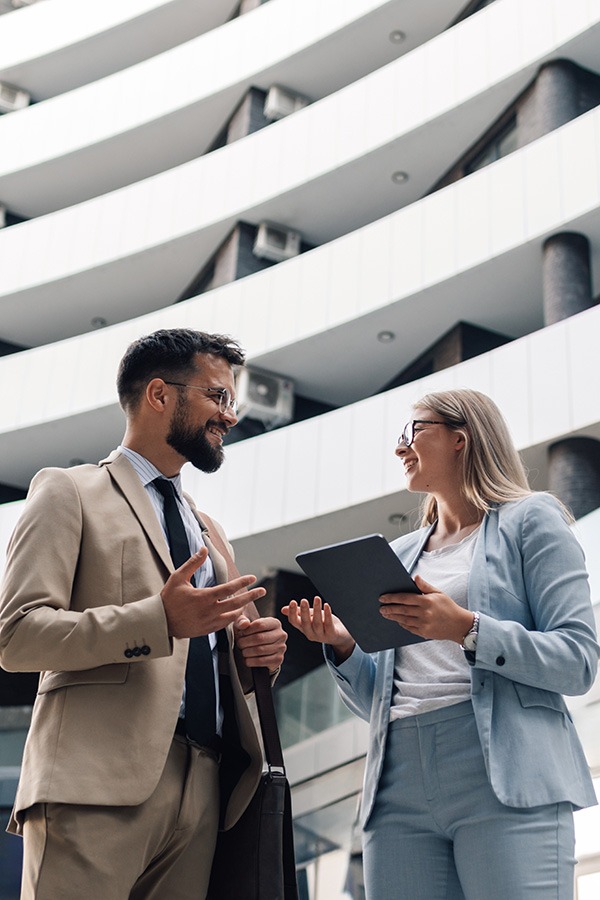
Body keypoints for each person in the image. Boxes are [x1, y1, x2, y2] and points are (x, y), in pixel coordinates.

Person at [0, 328, 288, 900]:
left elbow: (206, 653)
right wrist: (156, 621)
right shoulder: (68, 492)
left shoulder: (212, 533)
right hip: (93, 787)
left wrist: (253, 657)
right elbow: (16, 635)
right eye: (218, 397)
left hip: (205, 791)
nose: (230, 416)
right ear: (160, 395)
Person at [283, 388, 599, 900]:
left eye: (413, 431)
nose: (400, 448)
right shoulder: (399, 554)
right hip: (396, 781)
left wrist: (467, 629)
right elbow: (378, 702)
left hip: (503, 773)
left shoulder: (531, 519)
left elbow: (578, 661)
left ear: (460, 438)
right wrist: (343, 647)